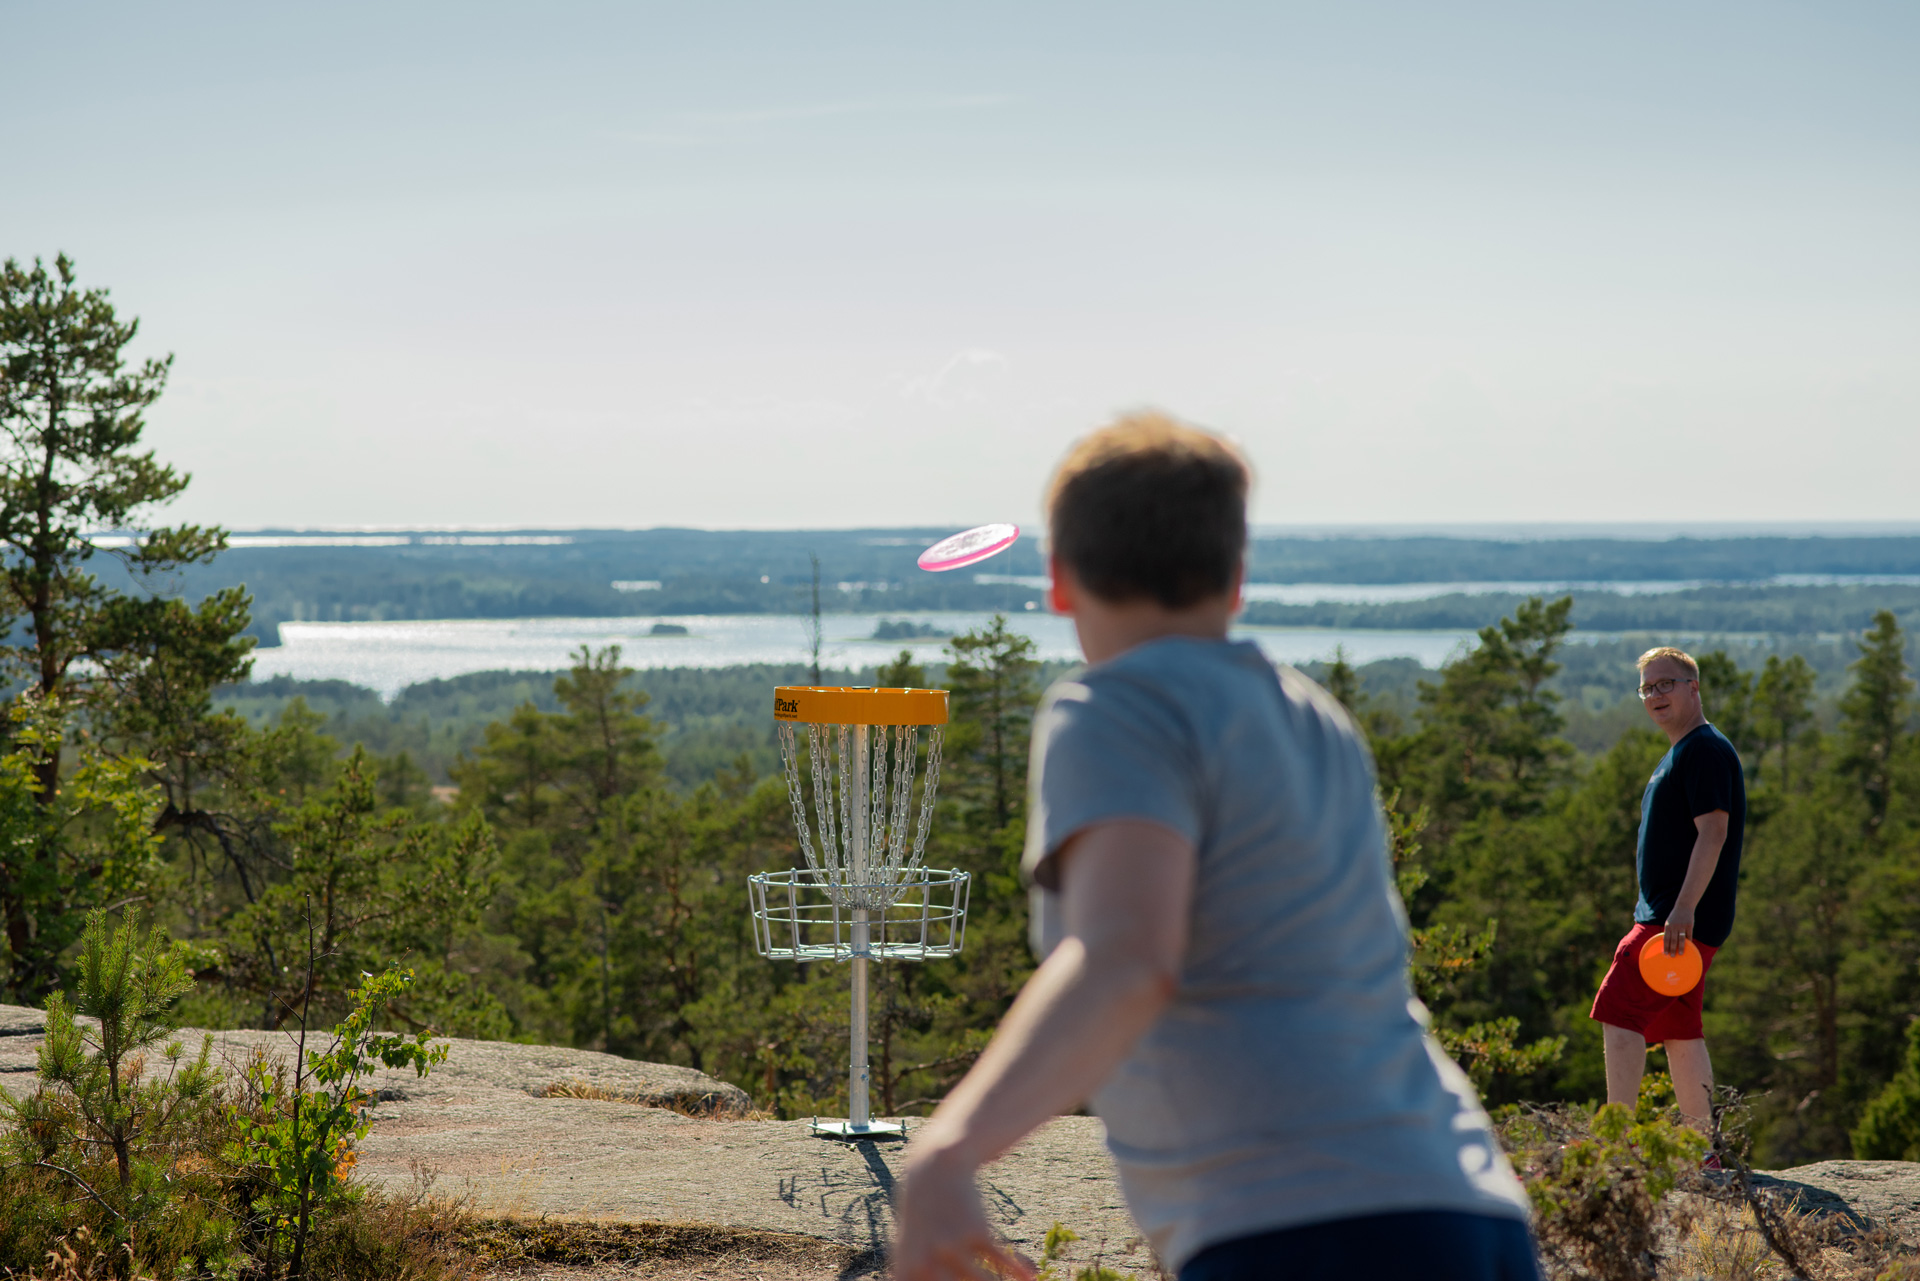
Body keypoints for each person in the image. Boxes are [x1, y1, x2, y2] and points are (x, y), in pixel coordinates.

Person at [892, 412, 1539, 1281]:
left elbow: (1127, 958)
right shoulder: (1313, 715)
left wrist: (947, 1150)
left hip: (1300, 1230)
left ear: (1059, 579)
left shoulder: (1115, 707)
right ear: (1235, 577)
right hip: (1470, 1208)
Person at [1589, 646, 1745, 1136]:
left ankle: (1616, 1145)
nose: (1655, 695)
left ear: (1693, 688)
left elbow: (1713, 832)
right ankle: (1703, 1149)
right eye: (1647, 688)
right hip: (1681, 918)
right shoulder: (1688, 749)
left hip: (1672, 922)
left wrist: (1681, 909)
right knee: (1680, 1030)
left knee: (1618, 1013)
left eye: (1666, 684)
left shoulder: (1703, 749)